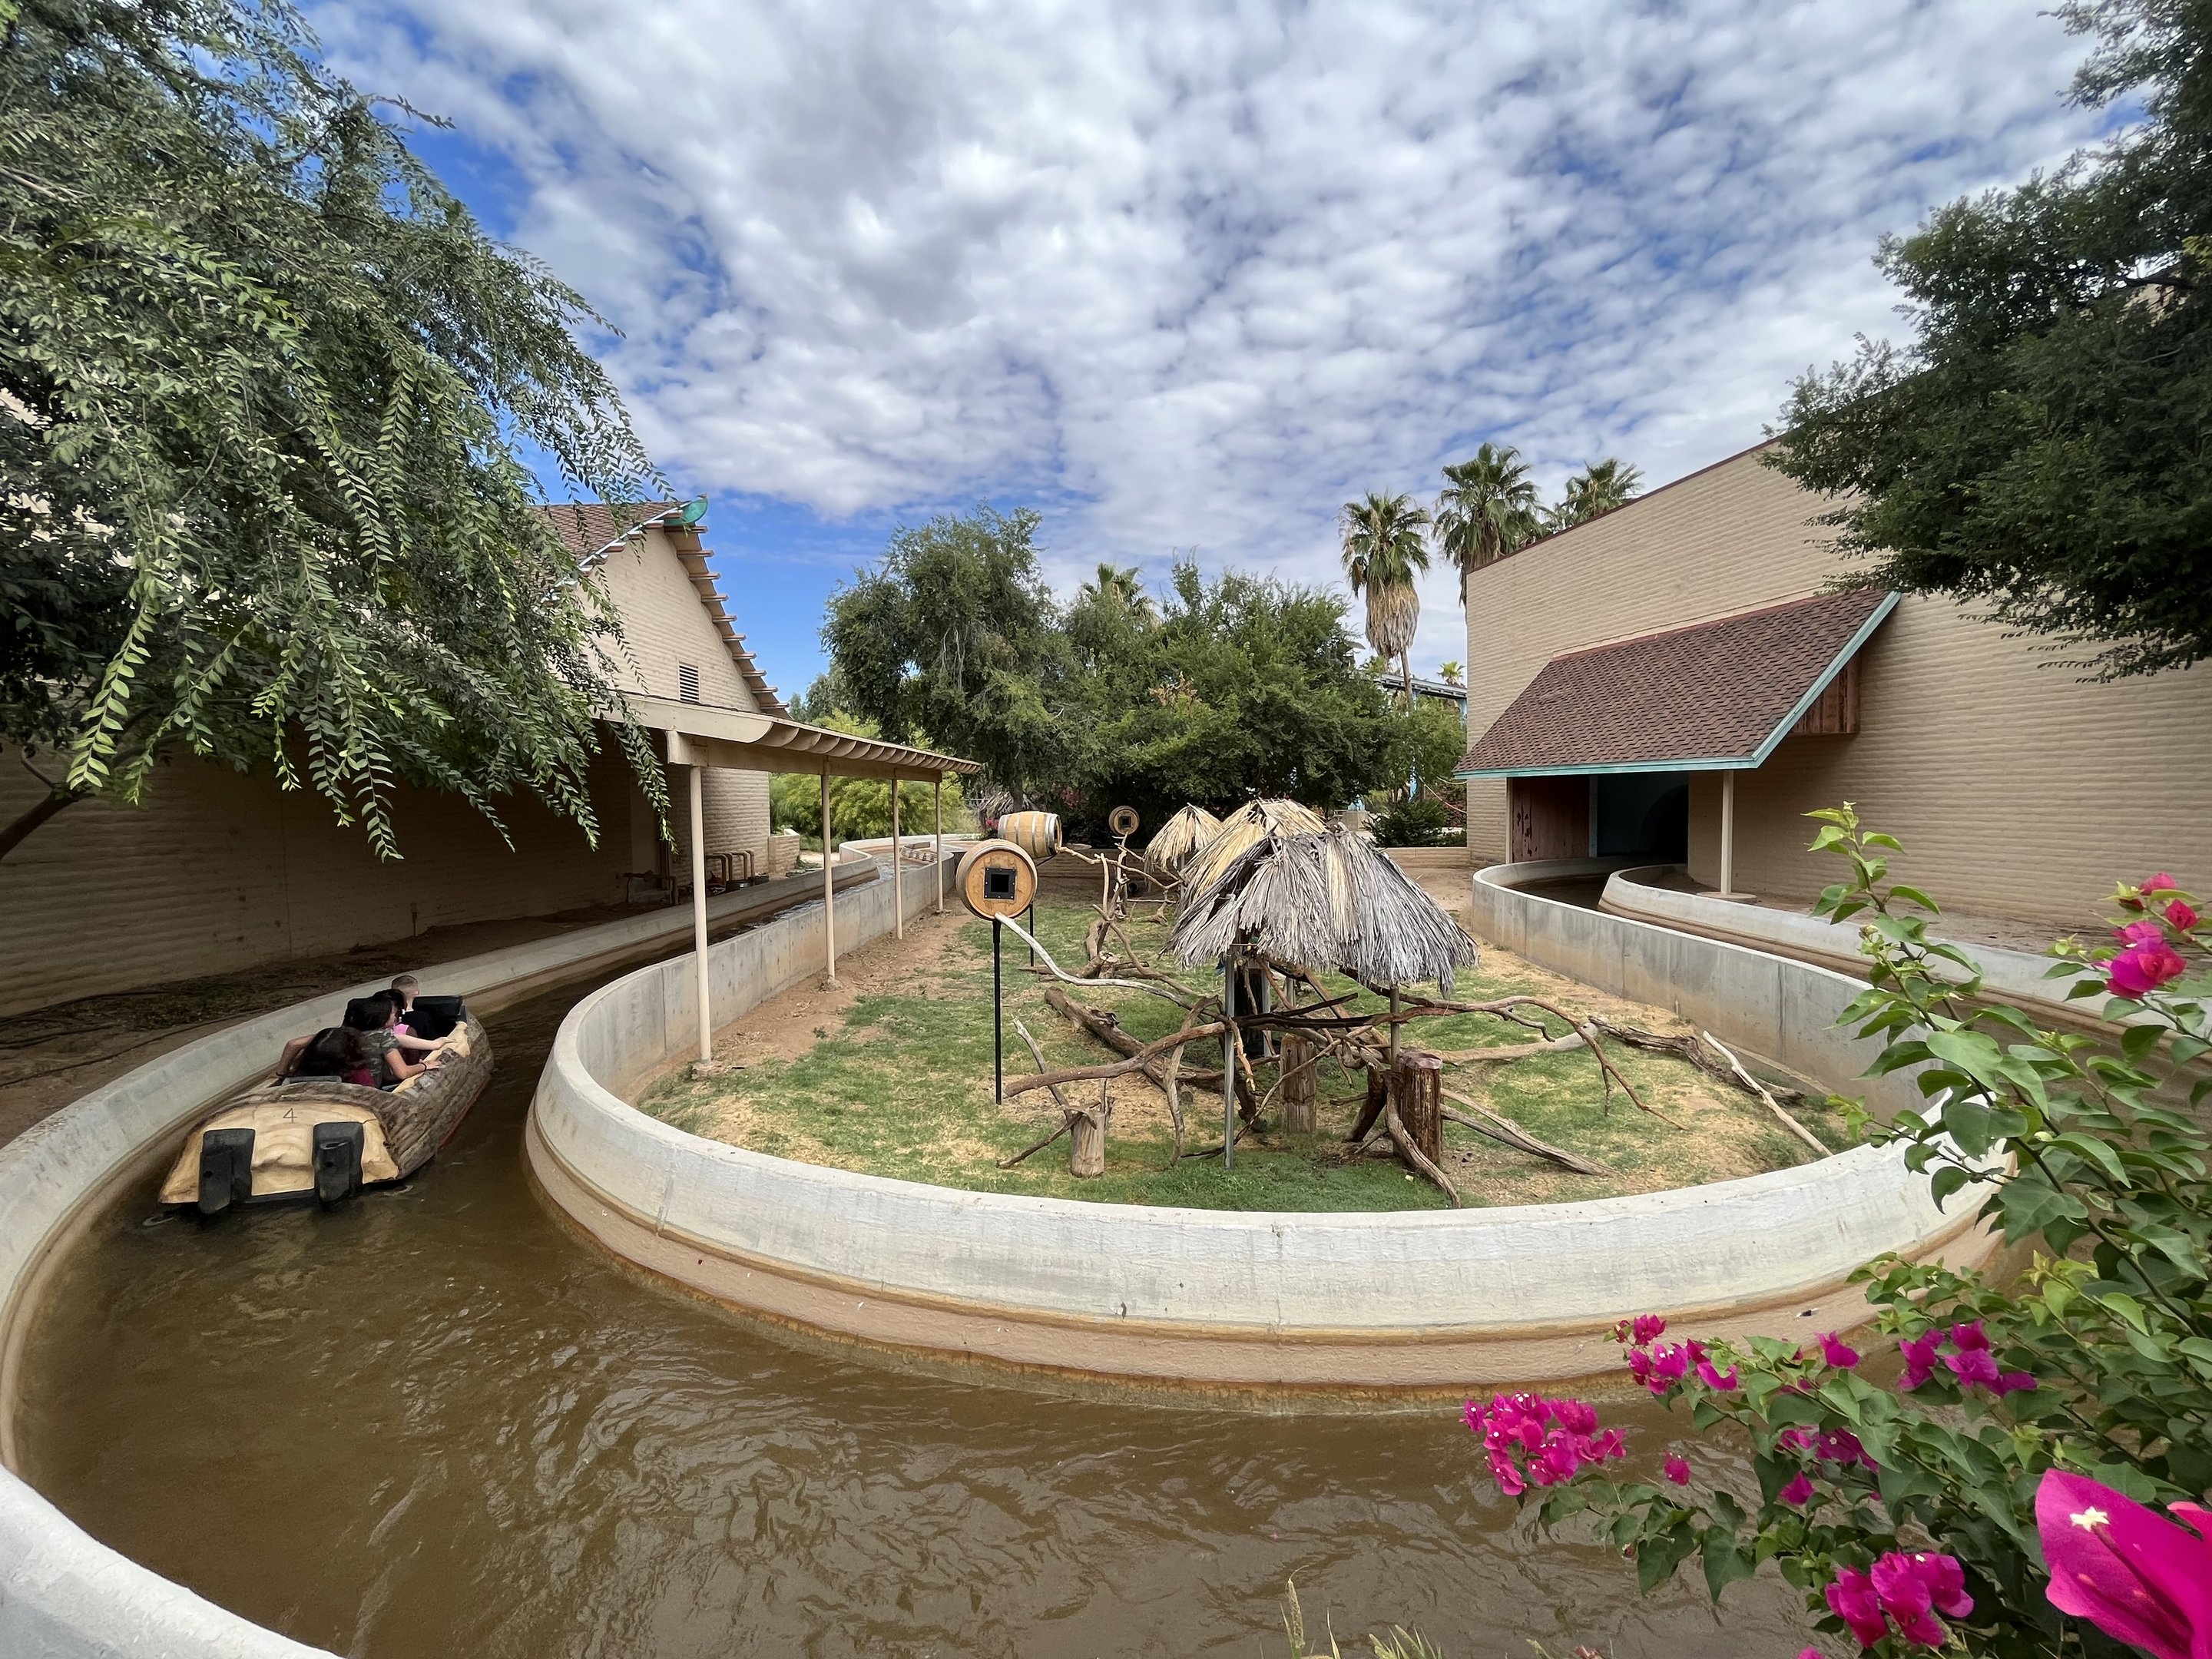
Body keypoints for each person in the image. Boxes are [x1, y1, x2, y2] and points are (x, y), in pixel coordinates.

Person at [342, 993, 443, 1088]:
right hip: (371, 1093)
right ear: (383, 1017)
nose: (396, 1016)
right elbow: (403, 1073)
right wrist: (424, 1066)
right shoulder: (383, 1037)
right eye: (394, 1013)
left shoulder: (348, 1036)